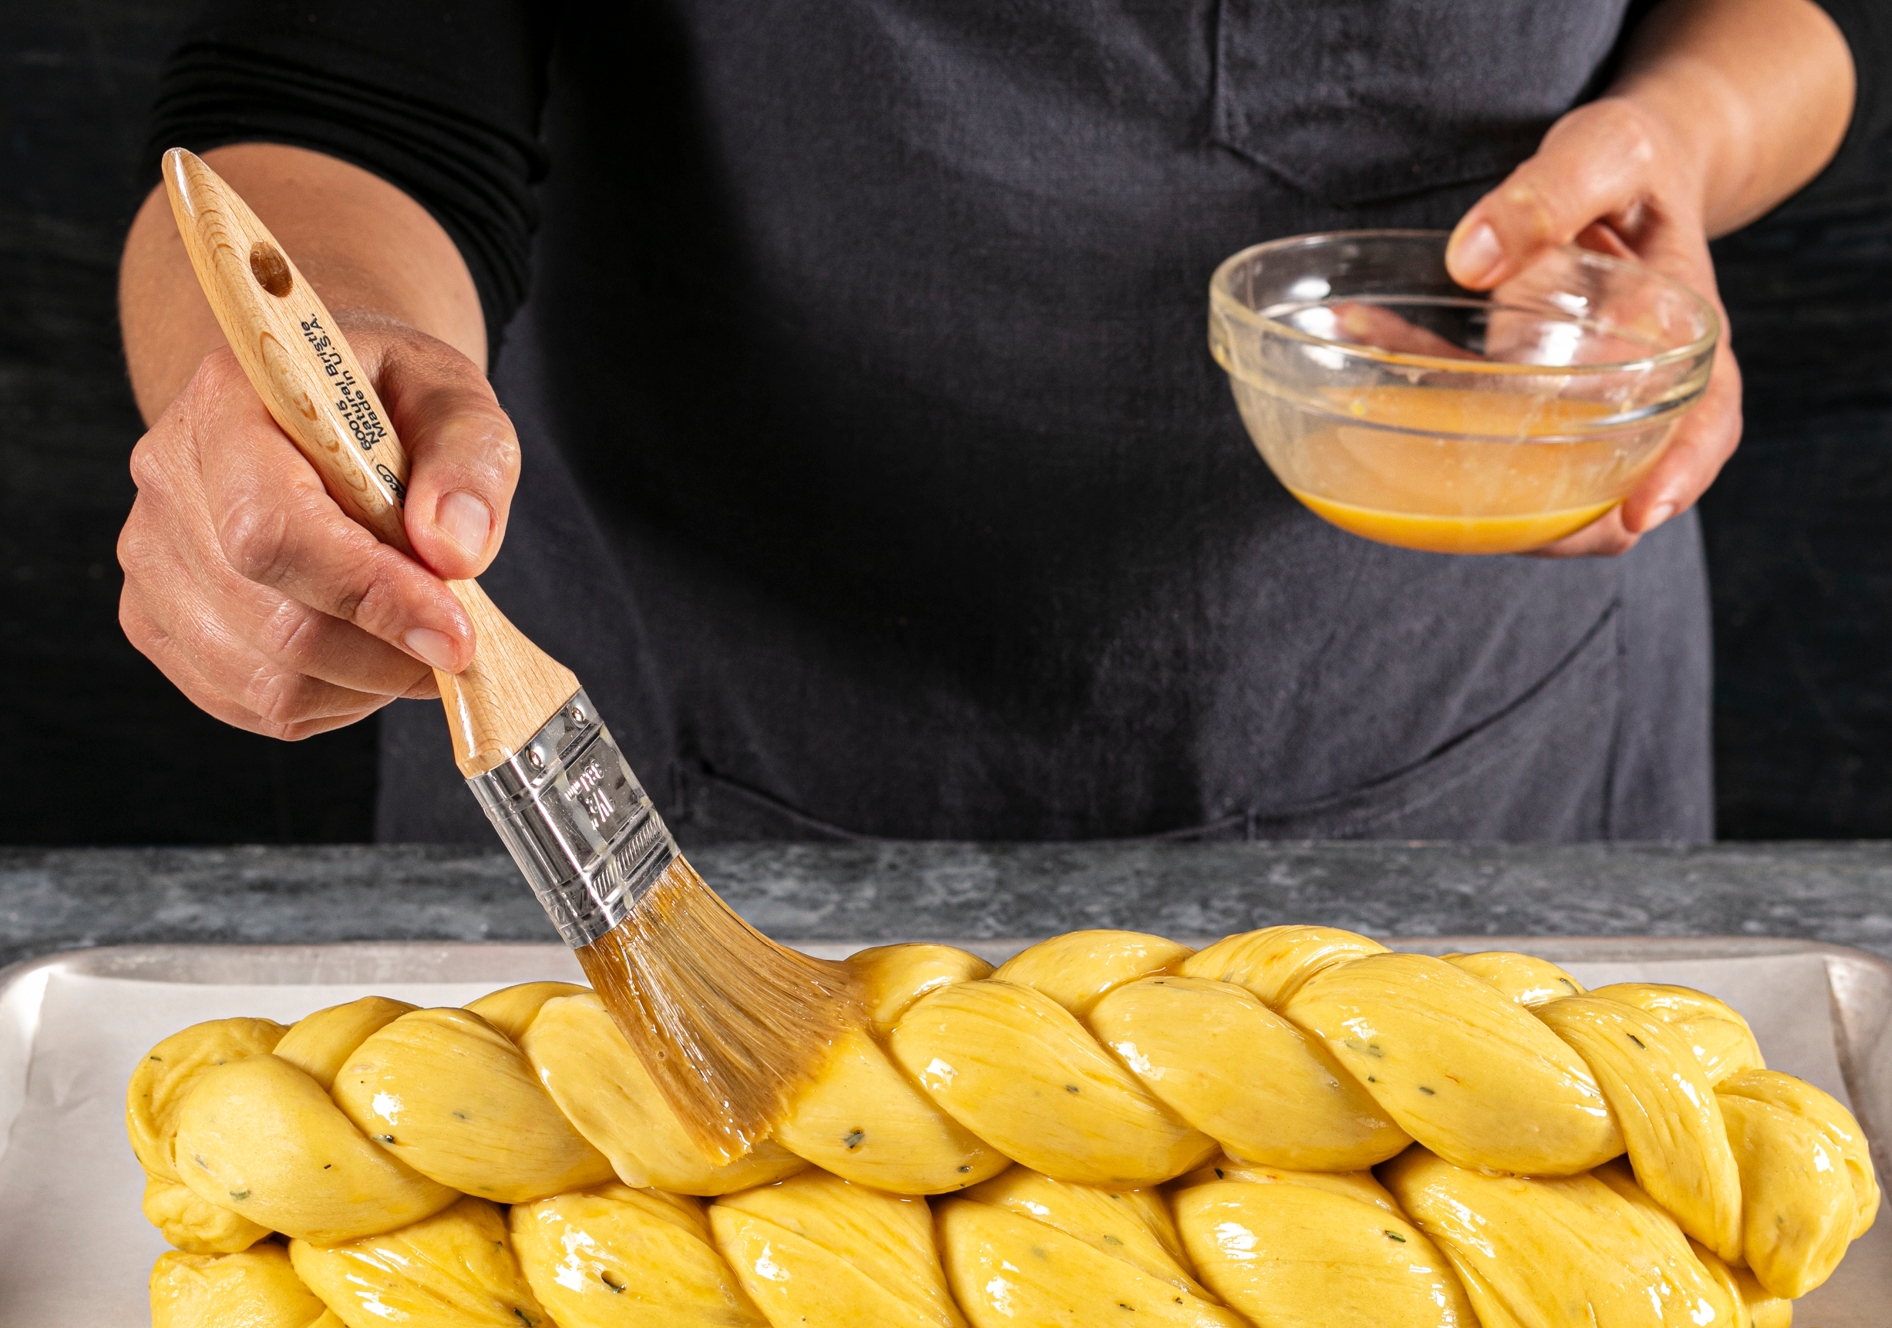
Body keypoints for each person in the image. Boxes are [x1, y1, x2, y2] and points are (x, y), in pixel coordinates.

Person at [117, 0, 1874, 846]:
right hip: (676, 747)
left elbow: (1797, 20)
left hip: (1481, 735)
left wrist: (1684, 138)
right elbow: (326, 87)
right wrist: (316, 383)